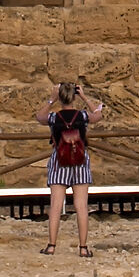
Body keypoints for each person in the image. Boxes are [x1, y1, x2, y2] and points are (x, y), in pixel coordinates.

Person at [36, 82, 106, 256]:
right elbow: (98, 115)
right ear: (74, 97)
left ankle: (51, 245)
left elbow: (39, 117)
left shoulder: (54, 117)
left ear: (60, 97)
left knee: (56, 206)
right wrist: (84, 97)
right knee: (81, 206)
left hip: (59, 161)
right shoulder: (82, 116)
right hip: (80, 161)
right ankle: (83, 248)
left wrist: (51, 99)